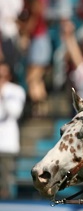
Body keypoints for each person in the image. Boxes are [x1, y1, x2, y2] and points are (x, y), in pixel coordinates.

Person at [0, 60, 26, 199]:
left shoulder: (16, 91)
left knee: (5, 186)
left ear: (9, 75)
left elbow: (14, 112)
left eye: (3, 75)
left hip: (6, 146)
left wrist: (2, 95)